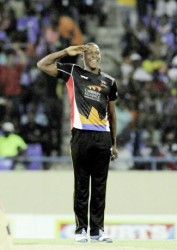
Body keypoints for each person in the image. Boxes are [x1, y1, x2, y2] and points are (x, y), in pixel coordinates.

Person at [37, 43, 118, 243]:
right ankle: (81, 229)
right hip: (81, 135)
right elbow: (42, 64)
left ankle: (97, 231)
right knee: (82, 185)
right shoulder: (73, 72)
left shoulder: (109, 81)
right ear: (83, 56)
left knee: (100, 186)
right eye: (89, 52)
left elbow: (112, 114)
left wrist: (114, 144)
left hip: (103, 137)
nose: (94, 56)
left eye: (97, 53)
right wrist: (66, 52)